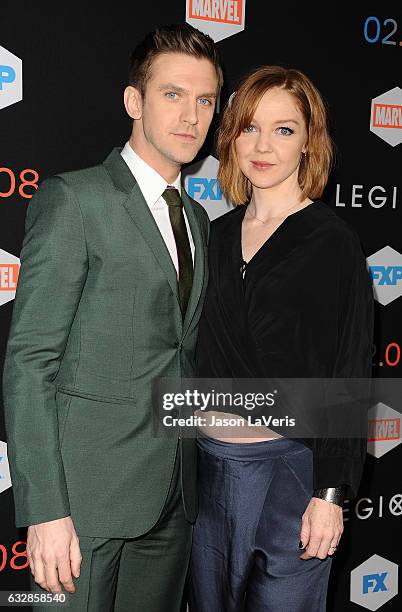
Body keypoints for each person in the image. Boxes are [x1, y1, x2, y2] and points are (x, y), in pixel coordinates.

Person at [2, 23, 222, 612]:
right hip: (84, 506)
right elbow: (30, 363)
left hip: (174, 496)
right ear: (134, 101)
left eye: (205, 100)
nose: (191, 114)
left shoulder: (198, 220)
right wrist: (46, 509)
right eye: (172, 94)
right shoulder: (75, 200)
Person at [188, 66, 374, 611]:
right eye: (249, 128)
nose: (263, 145)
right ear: (231, 138)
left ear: (309, 143)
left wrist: (331, 494)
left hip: (290, 473)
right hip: (206, 469)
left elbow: (347, 377)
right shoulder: (212, 235)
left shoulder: (332, 243)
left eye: (284, 129)